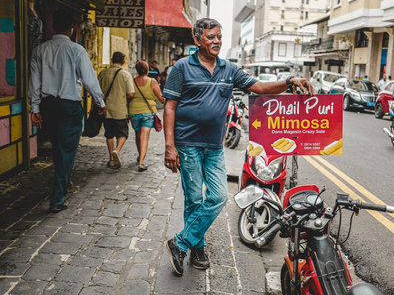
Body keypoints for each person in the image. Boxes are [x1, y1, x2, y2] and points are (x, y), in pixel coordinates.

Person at [162, 18, 314, 276]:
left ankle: (180, 242)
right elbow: (170, 106)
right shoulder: (181, 68)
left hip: (214, 146)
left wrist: (290, 81)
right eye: (210, 37)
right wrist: (169, 146)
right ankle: (197, 248)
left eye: (219, 36)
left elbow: (261, 87)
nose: (217, 41)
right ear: (197, 40)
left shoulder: (229, 69)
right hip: (187, 144)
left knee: (219, 196)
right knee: (194, 199)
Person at [28, 9, 105, 212]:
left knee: (57, 147)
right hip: (69, 106)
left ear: (53, 27)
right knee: (66, 150)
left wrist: (34, 108)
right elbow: (89, 80)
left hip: (48, 105)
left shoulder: (39, 50)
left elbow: (34, 83)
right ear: (71, 29)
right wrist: (100, 103)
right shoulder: (76, 50)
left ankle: (64, 182)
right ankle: (58, 198)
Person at [97, 51, 135, 169]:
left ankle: (111, 159)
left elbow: (97, 91)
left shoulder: (102, 73)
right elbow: (131, 93)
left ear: (112, 60)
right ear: (123, 62)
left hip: (106, 109)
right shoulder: (125, 74)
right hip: (120, 109)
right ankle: (117, 150)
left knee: (109, 134)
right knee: (123, 133)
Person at [129, 61, 165, 171]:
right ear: (147, 70)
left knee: (138, 135)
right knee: (144, 136)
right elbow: (160, 98)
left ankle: (140, 155)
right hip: (148, 113)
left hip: (134, 111)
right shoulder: (152, 81)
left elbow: (129, 96)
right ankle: (141, 162)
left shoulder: (132, 81)